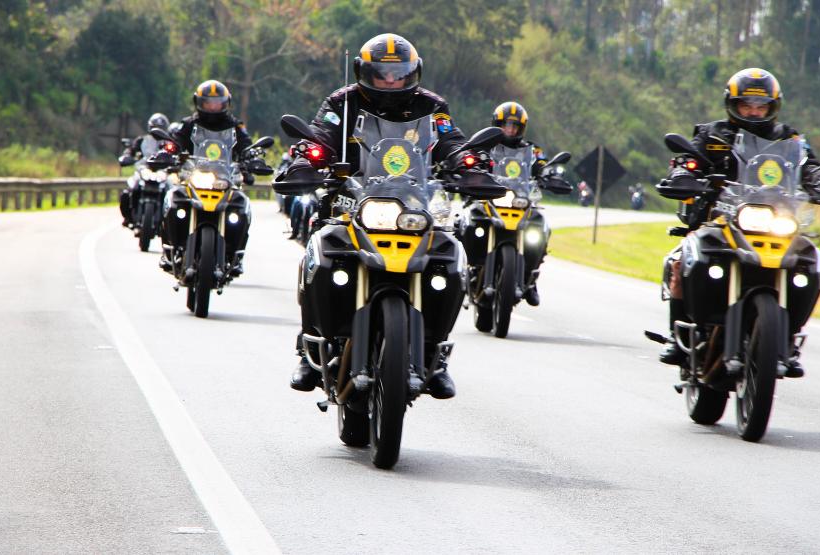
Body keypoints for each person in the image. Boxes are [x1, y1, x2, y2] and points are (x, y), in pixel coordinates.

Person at [285, 33, 475, 399]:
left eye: (398, 74)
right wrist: (308, 155)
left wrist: (468, 163)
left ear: (412, 74)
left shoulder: (432, 106)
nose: (390, 81)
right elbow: (323, 133)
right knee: (318, 251)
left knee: (450, 259)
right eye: (382, 74)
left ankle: (437, 354)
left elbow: (452, 141)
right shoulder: (342, 102)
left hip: (415, 207)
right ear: (364, 73)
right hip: (351, 201)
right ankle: (308, 352)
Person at [658, 68, 816, 376]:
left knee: (808, 262)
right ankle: (679, 339)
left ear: (773, 107)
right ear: (733, 104)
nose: (754, 112)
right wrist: (683, 173)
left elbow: (809, 166)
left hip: (776, 221)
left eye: (761, 106)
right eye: (747, 105)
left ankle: (787, 339)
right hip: (721, 219)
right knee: (683, 258)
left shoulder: (789, 138)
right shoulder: (712, 134)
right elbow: (688, 160)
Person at [159, 80, 256, 275]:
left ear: (225, 103)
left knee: (242, 207)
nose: (213, 106)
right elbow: (176, 142)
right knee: (172, 200)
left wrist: (252, 160)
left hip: (224, 180)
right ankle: (169, 250)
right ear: (199, 102)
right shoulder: (189, 124)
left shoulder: (235, 126)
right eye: (208, 102)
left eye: (217, 102)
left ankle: (235, 256)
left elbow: (247, 146)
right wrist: (169, 153)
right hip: (194, 177)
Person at [488, 101, 550, 305]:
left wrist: (547, 173)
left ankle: (531, 280)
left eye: (514, 126)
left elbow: (542, 164)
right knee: (468, 221)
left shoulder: (532, 150)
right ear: (497, 124)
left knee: (541, 227)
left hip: (520, 201)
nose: (510, 129)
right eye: (506, 125)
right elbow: (472, 158)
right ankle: (471, 266)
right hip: (491, 198)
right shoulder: (487, 144)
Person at [118, 112, 170, 226]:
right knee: (129, 191)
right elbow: (131, 150)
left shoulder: (168, 143)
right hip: (144, 168)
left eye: (161, 128)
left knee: (171, 194)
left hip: (161, 171)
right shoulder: (141, 140)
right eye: (155, 128)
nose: (158, 131)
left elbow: (176, 154)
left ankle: (168, 223)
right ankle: (128, 216)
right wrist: (127, 156)